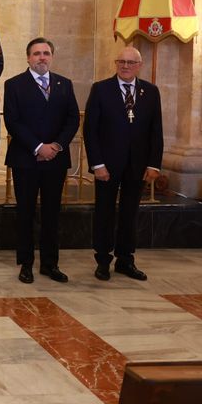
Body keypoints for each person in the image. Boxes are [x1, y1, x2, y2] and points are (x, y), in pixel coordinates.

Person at [3, 37, 80, 284]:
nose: (42, 57)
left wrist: (56, 146)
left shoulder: (64, 84)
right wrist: (38, 147)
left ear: (52, 56)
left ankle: (50, 264)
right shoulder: (14, 84)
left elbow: (72, 119)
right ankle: (25, 264)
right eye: (36, 54)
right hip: (26, 159)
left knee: (51, 214)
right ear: (28, 58)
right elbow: (13, 121)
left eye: (46, 53)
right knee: (25, 213)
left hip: (55, 160)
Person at [83, 46, 163, 282]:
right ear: (116, 63)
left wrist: (154, 164)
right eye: (121, 61)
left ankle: (126, 260)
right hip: (107, 165)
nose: (125, 66)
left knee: (130, 213)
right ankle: (103, 261)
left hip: (138, 166)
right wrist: (97, 164)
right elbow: (91, 130)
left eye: (130, 62)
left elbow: (156, 130)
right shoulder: (101, 89)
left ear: (139, 65)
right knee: (104, 212)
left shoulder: (150, 91)